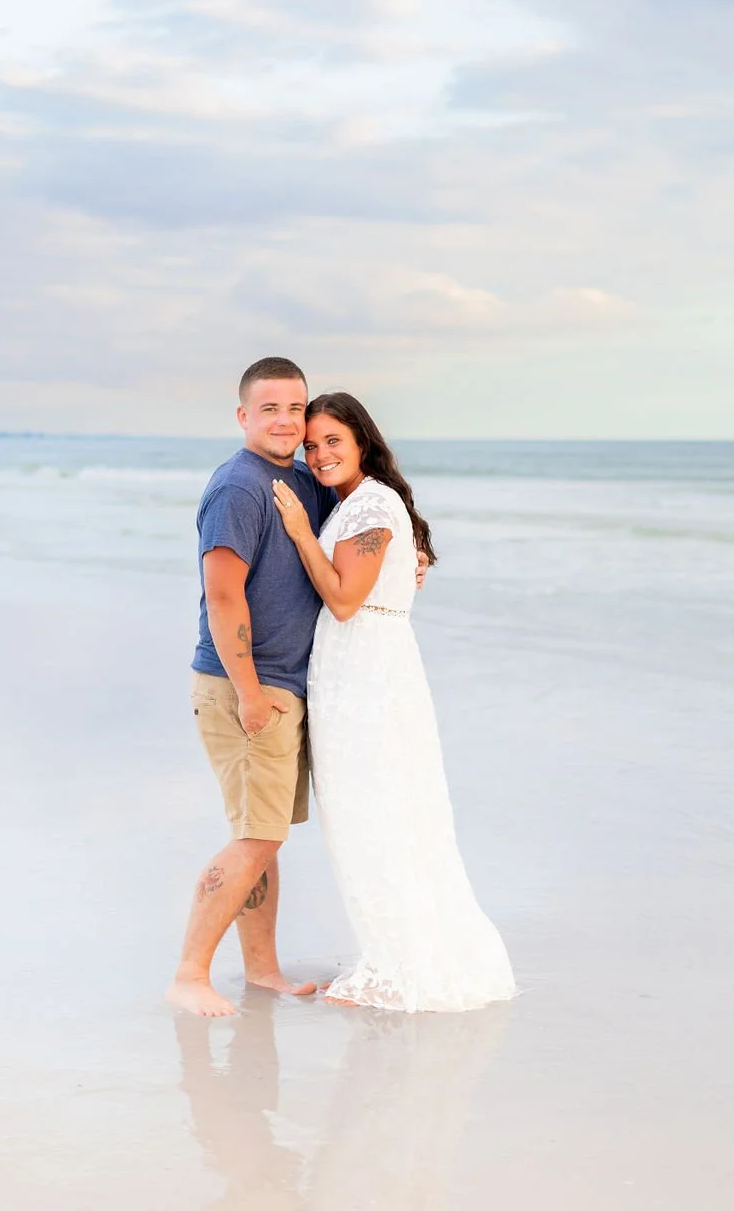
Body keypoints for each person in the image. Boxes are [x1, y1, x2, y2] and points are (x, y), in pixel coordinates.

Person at [166, 358, 427, 1018]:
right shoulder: (239, 487)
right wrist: (250, 691)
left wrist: (407, 559)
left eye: (295, 409)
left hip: (289, 687)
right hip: (245, 688)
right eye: (270, 408)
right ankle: (191, 973)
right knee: (256, 836)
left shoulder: (301, 481)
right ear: (243, 415)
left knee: (264, 831)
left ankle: (261, 971)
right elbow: (223, 599)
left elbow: (348, 543)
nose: (286, 422)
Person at [272, 392, 517, 1012]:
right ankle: (392, 952)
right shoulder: (360, 502)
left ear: (361, 440)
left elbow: (345, 599)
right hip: (359, 667)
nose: (321, 455)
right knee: (370, 810)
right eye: (311, 445)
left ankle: (399, 966)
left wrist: (301, 531)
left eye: (333, 441)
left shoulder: (373, 504)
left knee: (372, 811)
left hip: (366, 673)